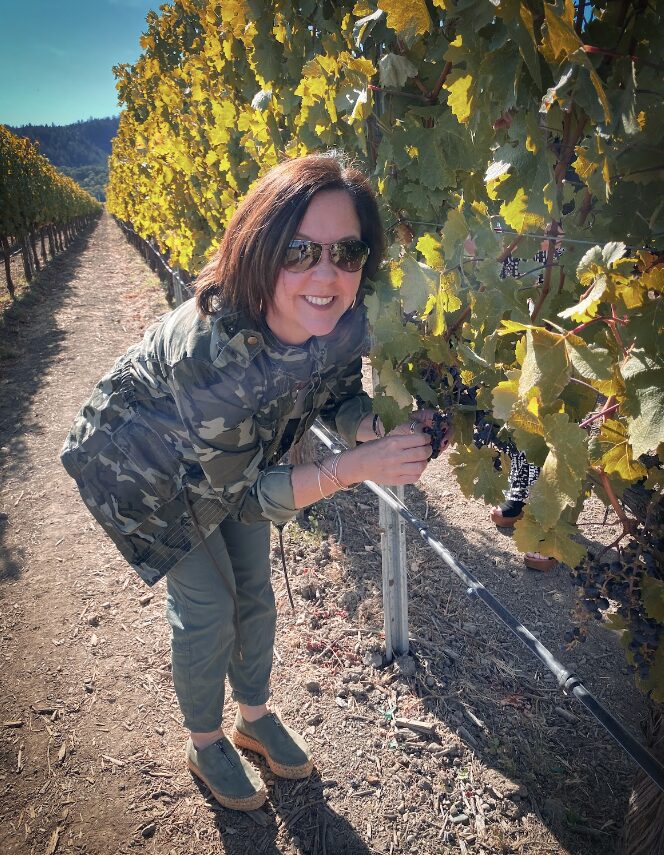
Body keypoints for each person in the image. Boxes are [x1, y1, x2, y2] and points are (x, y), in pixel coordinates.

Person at [60, 153, 436, 812]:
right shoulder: (208, 348)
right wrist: (353, 469)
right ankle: (206, 742)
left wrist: (371, 425)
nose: (327, 273)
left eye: (347, 252)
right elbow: (246, 495)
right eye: (300, 250)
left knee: (254, 593)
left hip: (234, 456)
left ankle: (253, 716)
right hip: (144, 464)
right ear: (261, 248)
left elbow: (337, 395)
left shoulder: (340, 316)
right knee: (209, 610)